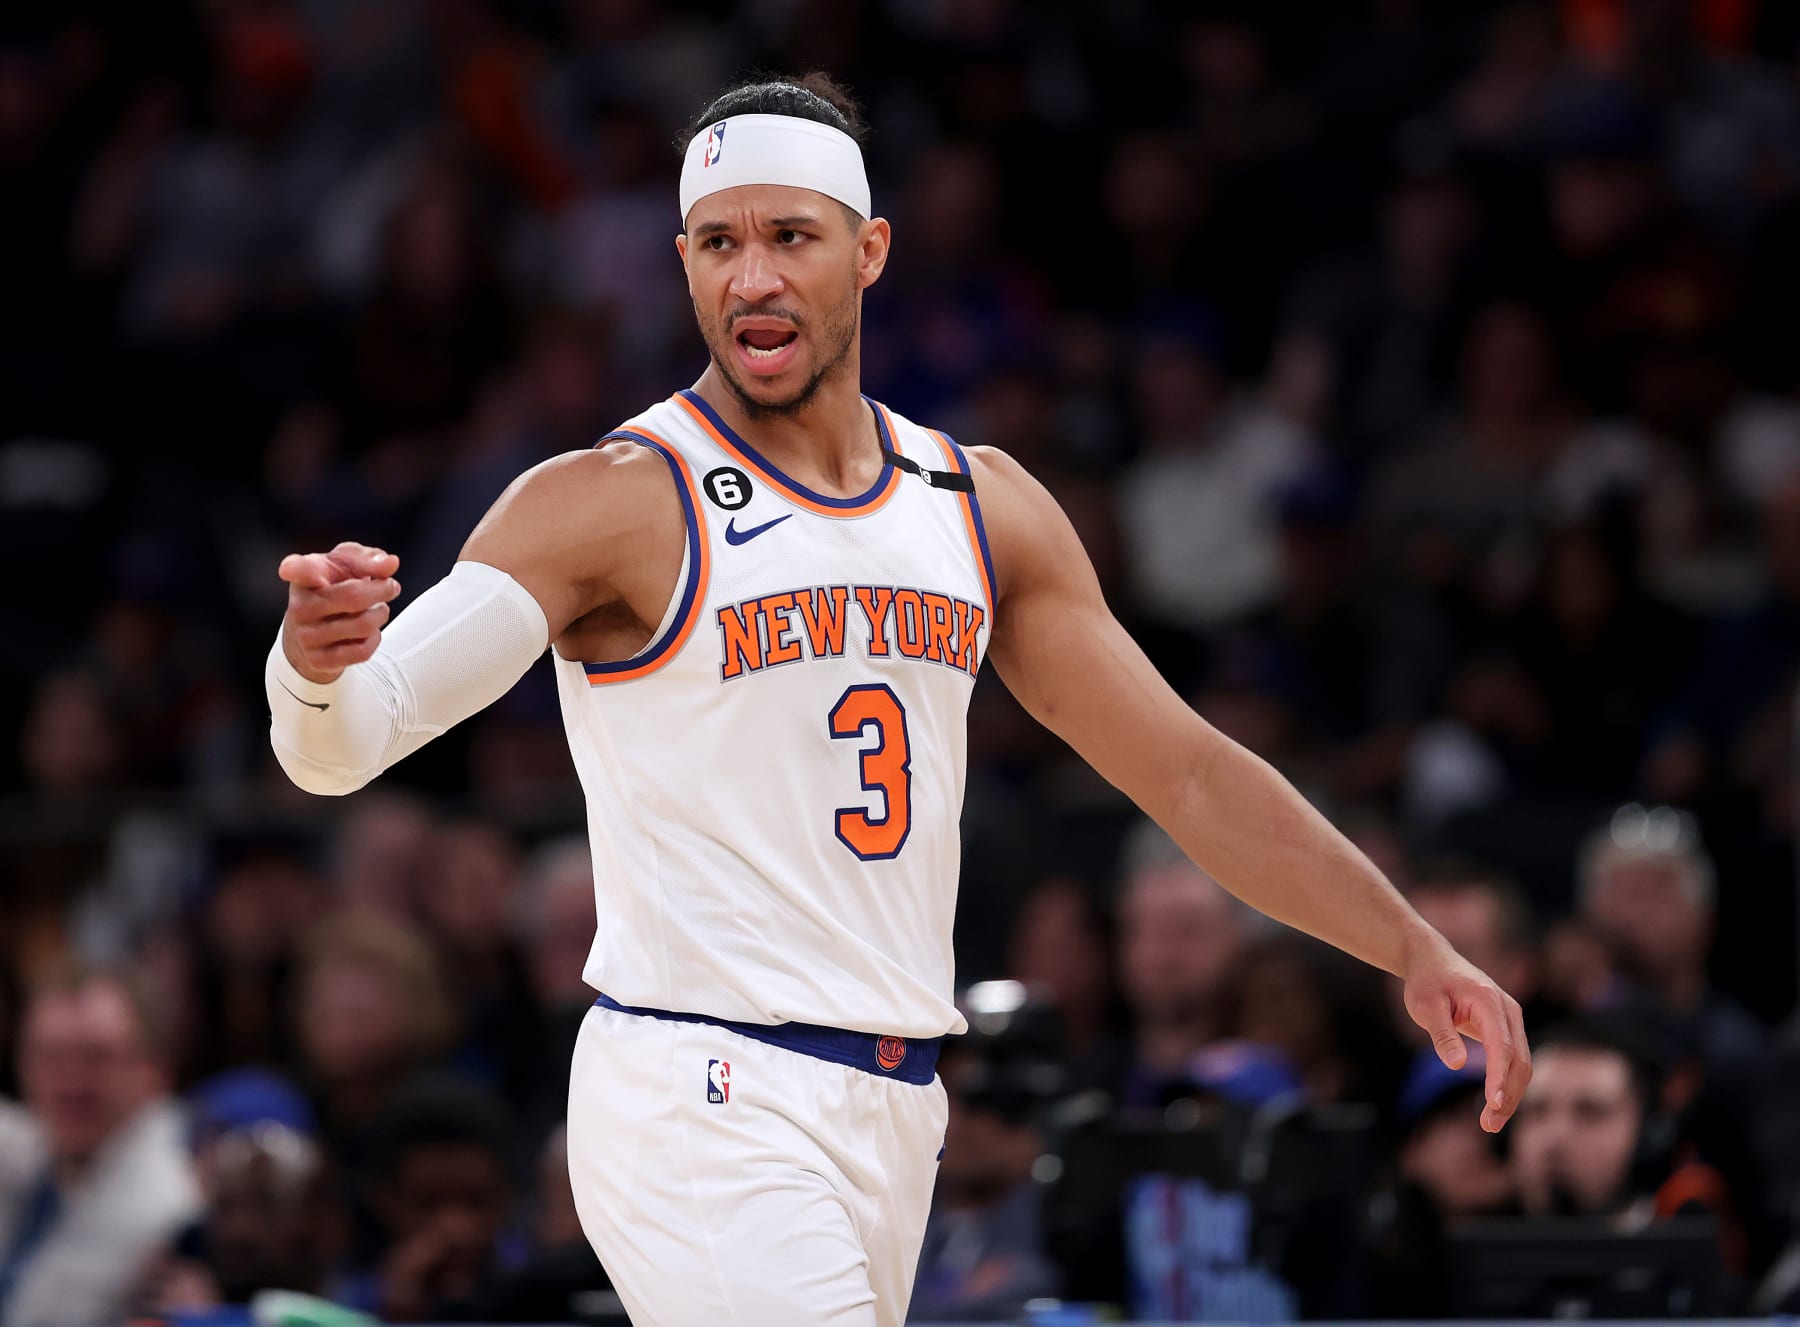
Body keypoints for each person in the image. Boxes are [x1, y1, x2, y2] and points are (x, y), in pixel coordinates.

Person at [264, 72, 1532, 1327]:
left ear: (868, 252)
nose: (751, 277)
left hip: (895, 1102)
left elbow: (1188, 774)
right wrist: (313, 668)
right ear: (683, 261)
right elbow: (349, 744)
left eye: (788, 237)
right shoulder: (611, 501)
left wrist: (1409, 945)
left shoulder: (975, 503)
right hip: (700, 1089)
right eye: (718, 242)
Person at [0, 966, 202, 1327]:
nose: (71, 1082)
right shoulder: (34, 1156)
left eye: (96, 1057)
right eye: (51, 1056)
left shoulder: (181, 1211)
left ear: (154, 1070)